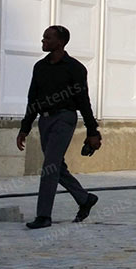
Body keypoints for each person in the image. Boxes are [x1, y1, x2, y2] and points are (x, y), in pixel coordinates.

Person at [16, 26, 102, 229]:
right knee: (55, 166)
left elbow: (83, 101)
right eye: (43, 37)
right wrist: (25, 128)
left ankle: (44, 216)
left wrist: (92, 131)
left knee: (49, 167)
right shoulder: (39, 67)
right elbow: (32, 99)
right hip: (44, 121)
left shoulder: (75, 68)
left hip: (64, 119)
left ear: (60, 42)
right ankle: (84, 199)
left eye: (47, 37)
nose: (43, 40)